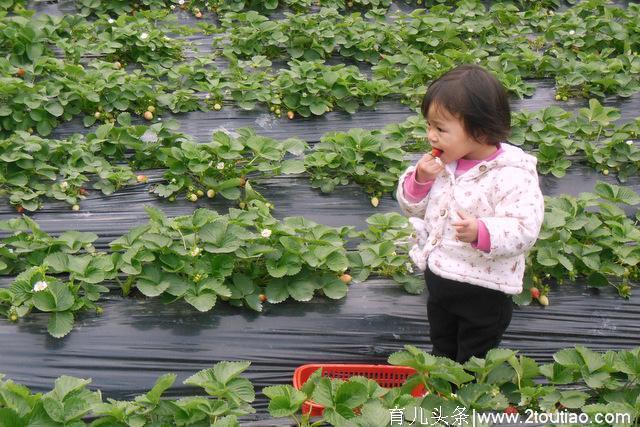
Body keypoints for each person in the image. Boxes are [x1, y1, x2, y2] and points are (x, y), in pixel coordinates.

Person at [395, 64, 544, 364]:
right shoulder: (442, 164)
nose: (430, 136)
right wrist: (420, 180)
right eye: (429, 126)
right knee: (442, 346)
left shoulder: (513, 174)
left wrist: (483, 231)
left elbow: (526, 228)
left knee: (475, 358)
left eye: (440, 129)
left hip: (483, 291)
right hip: (439, 279)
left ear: (479, 130)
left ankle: (469, 400)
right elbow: (412, 206)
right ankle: (443, 392)